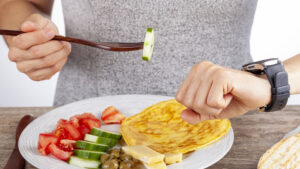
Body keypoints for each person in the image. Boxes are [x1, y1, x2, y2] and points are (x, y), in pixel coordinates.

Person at [0, 0, 299, 125]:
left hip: (228, 131)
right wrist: (29, 39)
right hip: (86, 130)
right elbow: (18, 4)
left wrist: (270, 82)